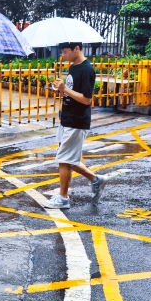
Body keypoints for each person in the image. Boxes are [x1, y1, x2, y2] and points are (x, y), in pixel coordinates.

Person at [42, 42, 109, 209]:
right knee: (68, 158)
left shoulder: (87, 70)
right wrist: (60, 89)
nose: (63, 55)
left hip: (77, 121)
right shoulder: (73, 67)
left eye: (65, 52)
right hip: (67, 118)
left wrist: (65, 89)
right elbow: (72, 92)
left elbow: (87, 99)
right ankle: (96, 180)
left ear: (76, 49)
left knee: (64, 159)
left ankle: (63, 198)